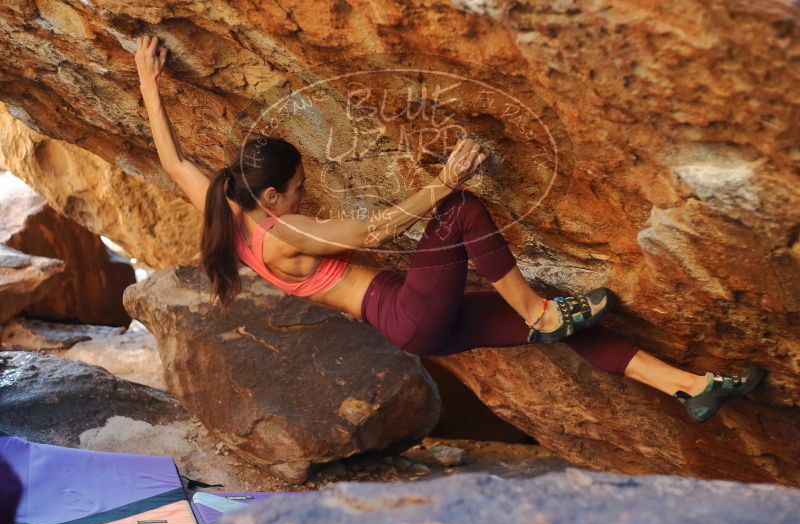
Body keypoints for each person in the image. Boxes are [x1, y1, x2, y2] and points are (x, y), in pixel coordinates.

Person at [135, 35, 766, 423]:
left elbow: (173, 160)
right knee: (461, 214)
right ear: (273, 196)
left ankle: (691, 387)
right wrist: (444, 181)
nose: (309, 187)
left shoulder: (228, 208)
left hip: (410, 320)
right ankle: (541, 312)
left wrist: (147, 81)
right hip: (404, 311)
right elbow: (369, 231)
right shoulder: (285, 229)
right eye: (301, 184)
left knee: (572, 330)